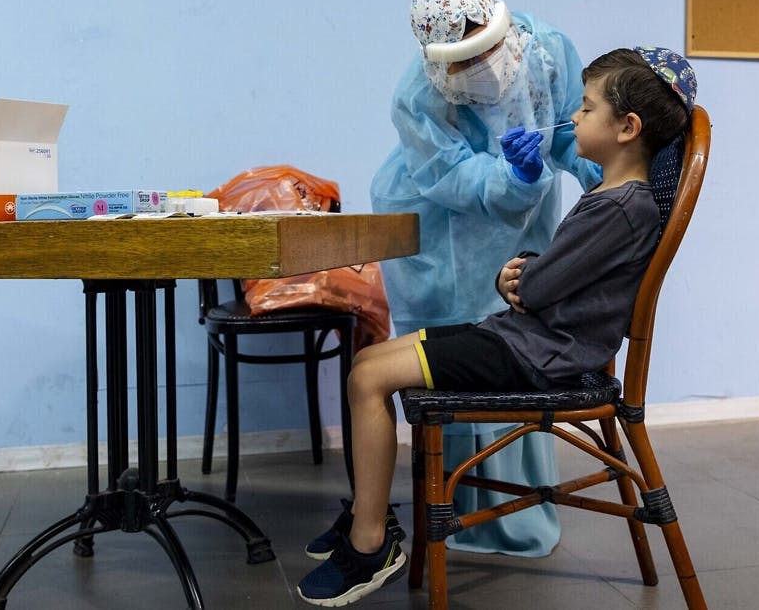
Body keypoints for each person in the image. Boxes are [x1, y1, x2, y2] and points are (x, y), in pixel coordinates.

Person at [296, 45, 698, 606]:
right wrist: (525, 277)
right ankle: (370, 517)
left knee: (368, 379)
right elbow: (550, 278)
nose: (573, 117)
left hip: (537, 355)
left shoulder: (621, 207)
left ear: (627, 127)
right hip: (524, 340)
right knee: (368, 363)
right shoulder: (617, 199)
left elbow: (538, 288)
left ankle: (371, 543)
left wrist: (522, 279)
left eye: (585, 109)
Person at [368, 0, 602, 557]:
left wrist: (599, 174)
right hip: (435, 225)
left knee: (513, 336)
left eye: (494, 45)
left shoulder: (547, 50)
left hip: (519, 219)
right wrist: (513, 176)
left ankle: (510, 510)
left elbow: (576, 128)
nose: (490, 63)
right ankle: (450, 504)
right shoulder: (419, 96)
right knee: (446, 349)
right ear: (439, 63)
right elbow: (453, 175)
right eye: (469, 58)